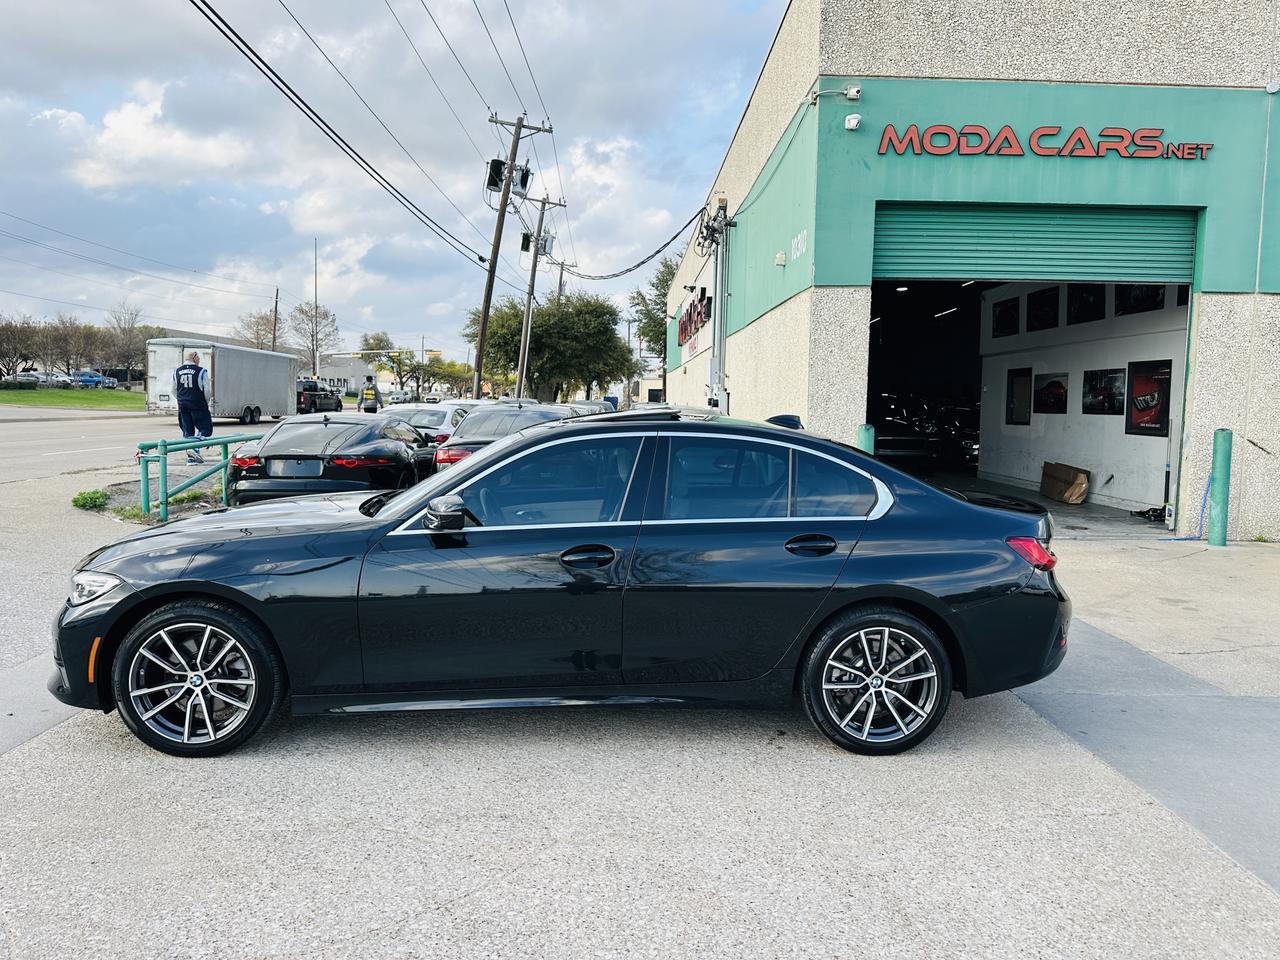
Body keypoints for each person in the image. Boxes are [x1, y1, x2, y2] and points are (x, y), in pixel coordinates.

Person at [173, 351, 212, 464]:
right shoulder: (201, 371)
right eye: (198, 358)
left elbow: (173, 389)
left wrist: (181, 399)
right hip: (198, 403)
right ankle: (194, 449)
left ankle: (191, 458)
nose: (199, 360)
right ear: (194, 358)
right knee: (205, 430)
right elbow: (207, 390)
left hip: (183, 405)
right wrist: (206, 401)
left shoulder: (177, 371)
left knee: (187, 431)